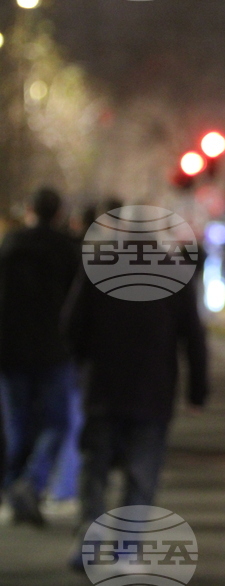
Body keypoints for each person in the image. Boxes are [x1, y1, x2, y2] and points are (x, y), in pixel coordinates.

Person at [62, 234, 208, 561]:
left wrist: (83, 361)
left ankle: (89, 533)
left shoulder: (98, 269)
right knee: (142, 473)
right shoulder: (176, 274)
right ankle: (126, 548)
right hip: (152, 392)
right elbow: (195, 339)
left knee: (95, 466)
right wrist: (197, 392)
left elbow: (72, 325)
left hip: (103, 387)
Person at [0, 187, 80, 525]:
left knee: (17, 423)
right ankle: (30, 484)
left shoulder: (9, 247)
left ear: (31, 210)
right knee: (56, 423)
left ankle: (15, 488)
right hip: (53, 350)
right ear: (59, 213)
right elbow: (78, 306)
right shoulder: (69, 250)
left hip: (10, 349)